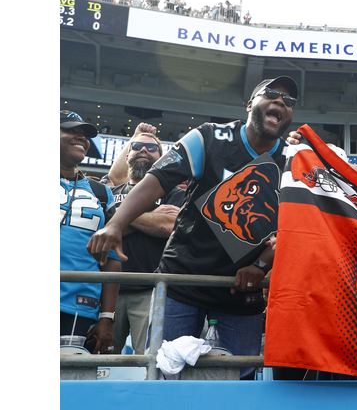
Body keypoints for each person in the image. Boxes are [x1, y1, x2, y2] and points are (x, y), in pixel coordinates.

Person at [87, 76, 299, 380]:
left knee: (238, 380)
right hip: (182, 279)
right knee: (164, 372)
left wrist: (262, 264)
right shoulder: (209, 137)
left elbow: (295, 227)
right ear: (251, 103)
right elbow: (157, 180)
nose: (281, 102)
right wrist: (116, 224)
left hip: (240, 290)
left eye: (289, 101)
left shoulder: (292, 160)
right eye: (272, 94)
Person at [109, 129, 185, 355]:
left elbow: (168, 226)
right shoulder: (110, 192)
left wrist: (120, 219)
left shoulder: (174, 194)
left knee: (149, 361)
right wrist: (153, 213)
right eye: (137, 146)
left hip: (152, 290)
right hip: (109, 289)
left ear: (160, 158)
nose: (144, 150)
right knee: (100, 359)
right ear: (127, 155)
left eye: (152, 148)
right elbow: (102, 229)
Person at [60, 110, 121, 355]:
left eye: (84, 135)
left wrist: (107, 316)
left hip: (79, 305)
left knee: (66, 382)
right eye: (71, 130)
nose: (81, 138)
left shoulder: (100, 192)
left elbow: (112, 259)